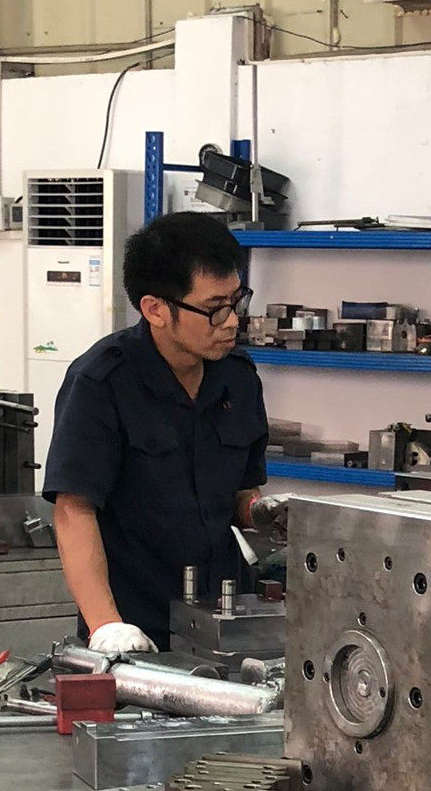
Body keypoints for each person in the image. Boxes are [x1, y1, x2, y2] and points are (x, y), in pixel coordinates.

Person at [41, 211, 282, 654]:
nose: (232, 321)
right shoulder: (101, 383)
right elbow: (74, 513)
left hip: (225, 620)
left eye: (237, 301)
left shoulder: (238, 377)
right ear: (155, 309)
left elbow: (240, 495)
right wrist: (106, 626)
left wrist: (263, 514)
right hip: (137, 628)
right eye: (214, 308)